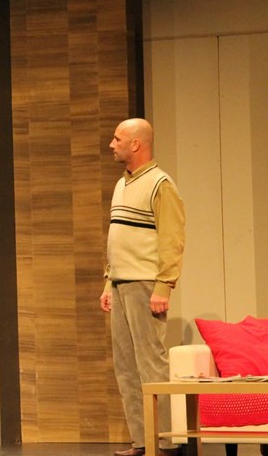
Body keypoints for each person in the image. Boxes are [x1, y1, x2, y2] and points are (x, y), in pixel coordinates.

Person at [99, 119, 185, 456]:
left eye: (117, 139)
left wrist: (164, 285)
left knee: (151, 364)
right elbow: (118, 239)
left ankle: (164, 441)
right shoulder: (122, 184)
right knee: (125, 366)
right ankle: (142, 441)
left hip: (145, 284)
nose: (112, 144)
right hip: (121, 283)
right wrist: (109, 281)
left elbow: (172, 239)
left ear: (136, 144)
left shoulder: (160, 184)